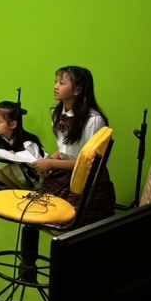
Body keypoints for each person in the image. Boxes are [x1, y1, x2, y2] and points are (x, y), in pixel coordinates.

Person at [34, 66, 115, 223]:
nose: (55, 86)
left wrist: (51, 163)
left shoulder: (93, 120)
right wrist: (48, 162)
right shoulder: (57, 113)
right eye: (56, 82)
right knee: (41, 212)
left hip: (86, 178)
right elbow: (64, 147)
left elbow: (91, 164)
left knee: (67, 220)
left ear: (77, 90)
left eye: (61, 83)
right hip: (65, 171)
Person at [0, 101, 46, 190]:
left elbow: (40, 166)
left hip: (32, 174)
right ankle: (14, 190)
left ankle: (27, 190)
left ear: (13, 125)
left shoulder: (28, 143)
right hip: (16, 171)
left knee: (7, 168)